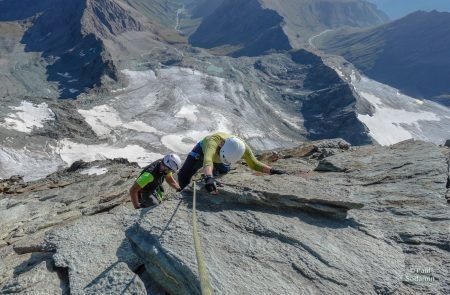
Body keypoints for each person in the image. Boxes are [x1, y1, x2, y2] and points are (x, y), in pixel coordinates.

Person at [178, 132, 287, 194]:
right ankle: (184, 192)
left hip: (222, 159)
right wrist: (208, 178)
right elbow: (208, 160)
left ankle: (218, 168)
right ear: (221, 146)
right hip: (202, 151)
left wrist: (272, 171)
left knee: (224, 169)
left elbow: (254, 164)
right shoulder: (213, 141)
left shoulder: (243, 149)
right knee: (183, 175)